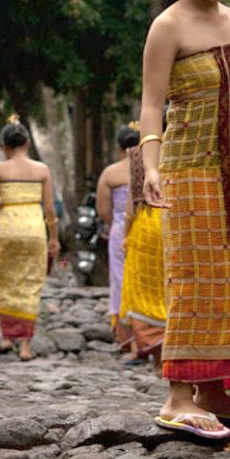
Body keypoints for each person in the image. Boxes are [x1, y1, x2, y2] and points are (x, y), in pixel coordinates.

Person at [139, 0, 230, 440]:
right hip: (188, 172)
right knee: (192, 280)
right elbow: (150, 104)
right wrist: (150, 166)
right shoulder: (168, 26)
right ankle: (177, 396)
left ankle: (216, 391)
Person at [0, 119, 60, 361]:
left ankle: (7, 338)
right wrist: (55, 238)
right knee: (30, 283)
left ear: (4, 145)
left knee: (5, 280)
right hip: (34, 228)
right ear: (28, 143)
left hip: (7, 227)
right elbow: (50, 209)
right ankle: (26, 345)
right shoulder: (41, 170)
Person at [119, 139, 166, 366]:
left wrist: (126, 233)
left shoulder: (140, 155)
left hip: (146, 223)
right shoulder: (192, 140)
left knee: (141, 292)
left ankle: (157, 355)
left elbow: (132, 200)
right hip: (176, 221)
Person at [96, 125, 137, 350]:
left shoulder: (110, 173)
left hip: (120, 227)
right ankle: (151, 336)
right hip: (149, 225)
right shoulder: (153, 168)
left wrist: (116, 224)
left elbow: (103, 209)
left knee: (120, 279)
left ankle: (126, 335)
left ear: (118, 147)